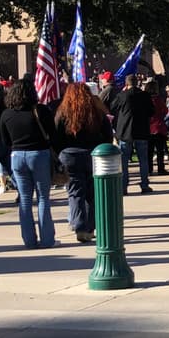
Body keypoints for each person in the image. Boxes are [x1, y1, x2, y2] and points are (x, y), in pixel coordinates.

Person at [52, 82, 112, 243]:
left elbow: (56, 136)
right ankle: (90, 227)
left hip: (69, 156)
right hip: (94, 155)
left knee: (75, 193)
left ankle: (79, 226)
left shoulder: (63, 112)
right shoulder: (97, 112)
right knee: (93, 194)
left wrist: (60, 154)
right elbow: (107, 134)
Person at [0, 81, 56, 249]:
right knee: (43, 197)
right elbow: (52, 134)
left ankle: (29, 240)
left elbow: (5, 140)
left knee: (24, 199)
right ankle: (47, 239)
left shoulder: (6, 114)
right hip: (39, 154)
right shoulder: (41, 111)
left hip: (17, 155)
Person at [107, 75, 154, 194]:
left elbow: (112, 107)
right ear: (137, 82)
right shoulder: (145, 95)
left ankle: (124, 186)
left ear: (126, 84)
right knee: (143, 160)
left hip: (125, 131)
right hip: (141, 131)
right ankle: (144, 184)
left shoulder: (123, 95)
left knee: (124, 161)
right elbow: (151, 111)